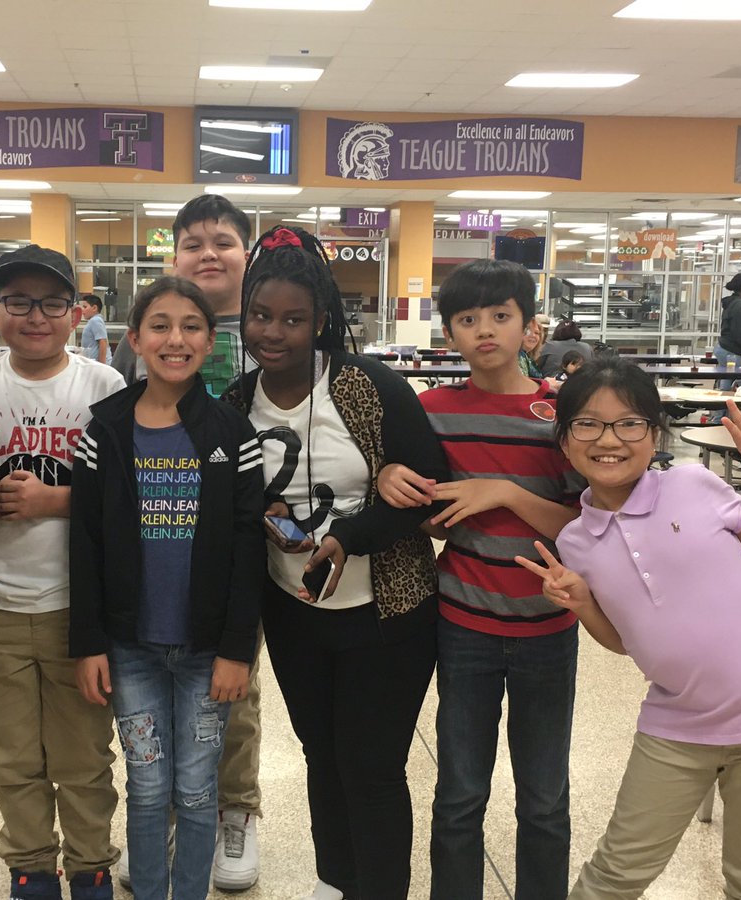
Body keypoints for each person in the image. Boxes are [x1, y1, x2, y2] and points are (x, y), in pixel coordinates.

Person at [521, 358, 741, 900]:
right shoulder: (576, 540)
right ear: (564, 438)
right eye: (588, 423)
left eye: (629, 423)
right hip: (678, 724)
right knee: (614, 875)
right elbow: (625, 641)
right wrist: (582, 604)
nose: (610, 439)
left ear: (654, 434)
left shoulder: (694, 484)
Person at [223, 225, 446, 900]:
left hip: (388, 610)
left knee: (372, 766)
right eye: (261, 316)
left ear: (321, 321)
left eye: (293, 319)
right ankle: (334, 880)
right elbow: (236, 505)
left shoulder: (368, 387)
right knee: (323, 756)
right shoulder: (236, 404)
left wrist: (352, 534)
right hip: (293, 612)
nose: (274, 332)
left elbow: (426, 488)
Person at [377, 258, 585, 900]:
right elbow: (423, 506)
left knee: (544, 796)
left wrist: (506, 494)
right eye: (468, 319)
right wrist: (389, 478)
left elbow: (582, 527)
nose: (485, 330)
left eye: (502, 316)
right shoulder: (431, 409)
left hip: (548, 628)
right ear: (450, 333)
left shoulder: (558, 411)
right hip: (462, 624)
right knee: (460, 793)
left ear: (529, 326)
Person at [70, 275, 265, 900]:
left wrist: (239, 650)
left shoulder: (234, 437)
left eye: (190, 327)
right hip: (131, 649)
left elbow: (247, 550)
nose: (174, 338)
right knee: (149, 786)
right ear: (134, 339)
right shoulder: (104, 431)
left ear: (210, 343)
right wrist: (89, 642)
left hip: (208, 650)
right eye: (159, 325)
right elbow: (86, 543)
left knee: (199, 787)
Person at [0, 246, 125, 900]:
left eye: (52, 303)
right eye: (20, 302)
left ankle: (89, 865)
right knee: (10, 757)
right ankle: (29, 865)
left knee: (84, 756)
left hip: (77, 609)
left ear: (76, 313)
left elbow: (132, 493)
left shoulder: (104, 388)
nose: (37, 316)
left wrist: (56, 500)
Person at [78, 294, 112, 365]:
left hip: (98, 365)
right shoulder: (93, 321)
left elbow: (103, 342)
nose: (82, 310)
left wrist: (101, 365)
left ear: (94, 308)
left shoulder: (96, 320)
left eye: (85, 307)